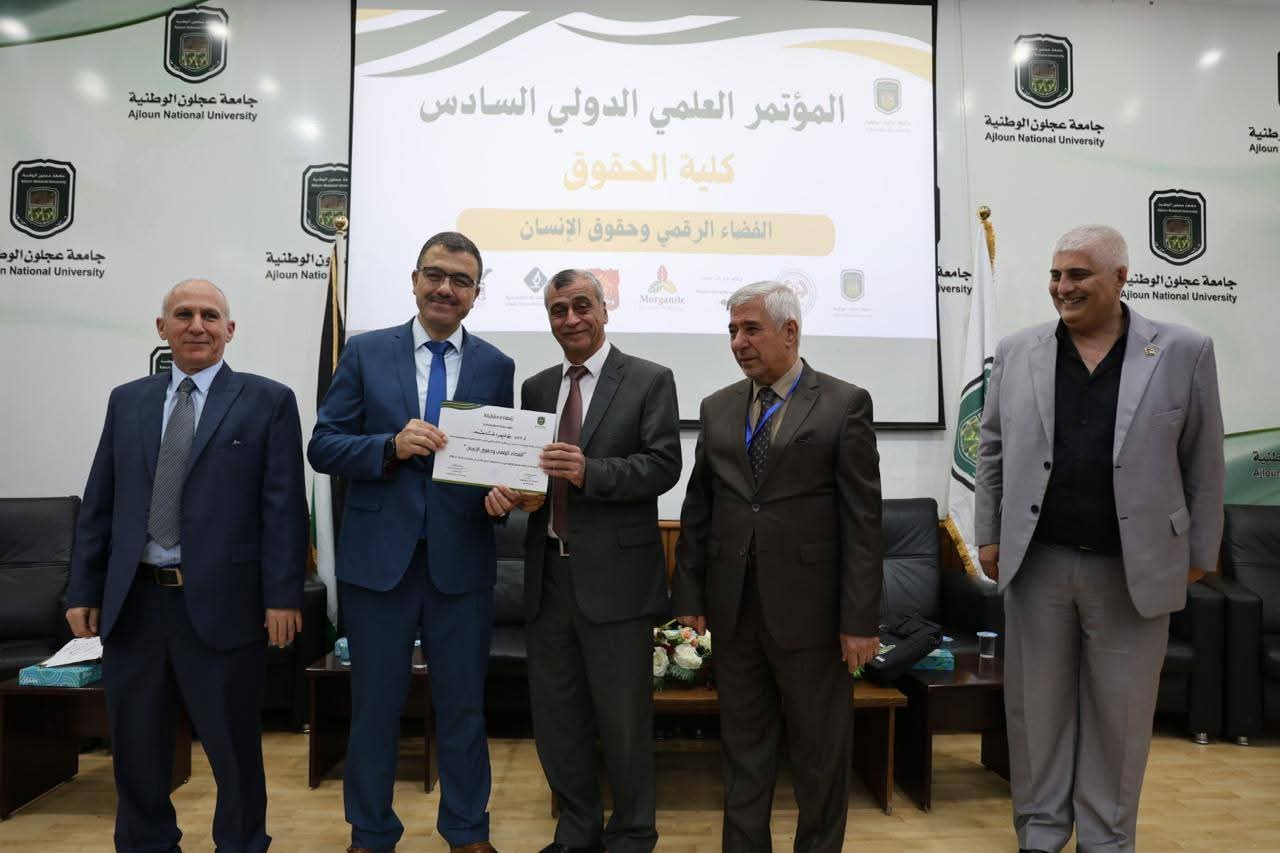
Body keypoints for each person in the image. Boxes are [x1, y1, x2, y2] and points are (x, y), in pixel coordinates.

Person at [974, 224, 1225, 853]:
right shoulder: (1017, 350)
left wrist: (1200, 555)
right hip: (1037, 564)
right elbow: (993, 449)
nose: (1063, 287)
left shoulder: (1184, 351)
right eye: (1056, 274)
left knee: (1122, 716)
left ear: (1120, 278)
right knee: (1036, 713)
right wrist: (988, 534)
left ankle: (1107, 840)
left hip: (1134, 569)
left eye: (1078, 274)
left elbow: (1203, 460)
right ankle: (1040, 832)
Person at [66, 278, 308, 853]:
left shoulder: (268, 401)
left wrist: (283, 595)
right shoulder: (127, 400)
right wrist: (83, 588)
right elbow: (101, 500)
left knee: (233, 749)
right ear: (162, 328)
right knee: (137, 748)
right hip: (135, 605)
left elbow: (284, 508)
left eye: (209, 315)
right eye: (183, 315)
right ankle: (146, 843)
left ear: (230, 330)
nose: (196, 325)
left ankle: (242, 843)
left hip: (226, 605)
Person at [308, 232, 514, 853]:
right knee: (374, 707)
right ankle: (370, 833)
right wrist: (388, 447)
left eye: (461, 280)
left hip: (462, 563)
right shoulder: (366, 352)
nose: (446, 288)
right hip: (379, 564)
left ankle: (467, 832)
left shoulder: (496, 366)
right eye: (436, 275)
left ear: (476, 294)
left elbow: (497, 461)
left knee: (463, 708)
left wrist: (504, 494)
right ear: (415, 279)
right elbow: (323, 446)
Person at [671, 280, 882, 853]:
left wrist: (860, 620)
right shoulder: (717, 407)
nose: (738, 342)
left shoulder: (844, 403)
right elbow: (699, 509)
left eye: (751, 329)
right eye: (732, 331)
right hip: (734, 611)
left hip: (814, 618)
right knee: (743, 751)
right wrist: (689, 596)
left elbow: (863, 521)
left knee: (819, 756)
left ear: (790, 332)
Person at [486, 269, 680, 853]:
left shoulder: (649, 379)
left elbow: (663, 466)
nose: (570, 319)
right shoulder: (537, 387)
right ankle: (576, 831)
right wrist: (514, 495)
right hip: (547, 575)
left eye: (580, 306)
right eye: (557, 310)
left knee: (623, 721)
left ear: (603, 310)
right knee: (557, 717)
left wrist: (590, 472)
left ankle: (632, 834)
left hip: (617, 583)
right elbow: (532, 475)